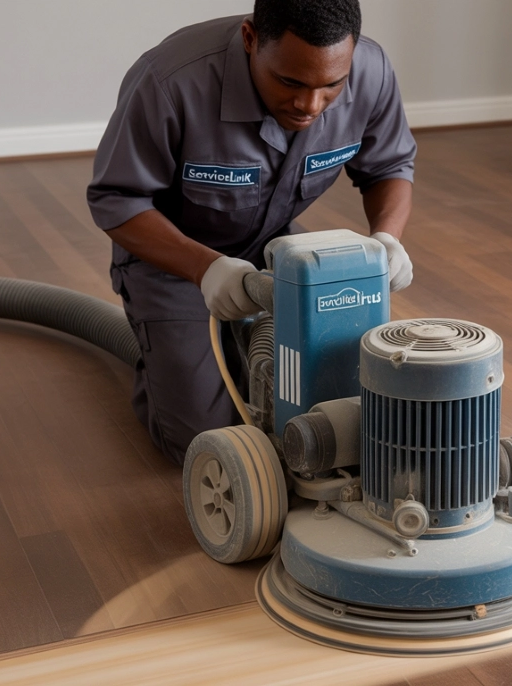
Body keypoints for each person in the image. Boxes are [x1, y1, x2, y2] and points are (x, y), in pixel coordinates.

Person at [87, 0, 416, 465]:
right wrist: (207, 269)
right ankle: (164, 349)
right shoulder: (170, 82)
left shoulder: (370, 71)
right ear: (250, 39)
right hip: (173, 260)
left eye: (331, 86)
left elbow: (389, 167)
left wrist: (387, 238)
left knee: (339, 404)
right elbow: (116, 200)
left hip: (275, 248)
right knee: (211, 443)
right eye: (290, 82)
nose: (310, 105)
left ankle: (238, 342)